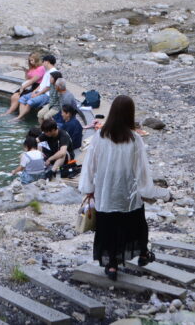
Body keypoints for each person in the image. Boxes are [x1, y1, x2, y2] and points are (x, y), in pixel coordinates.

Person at [79, 95, 167, 280]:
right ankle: (143, 254)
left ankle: (111, 265)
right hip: (128, 193)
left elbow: (89, 166)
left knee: (108, 228)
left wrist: (88, 188)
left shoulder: (99, 137)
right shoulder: (135, 140)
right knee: (136, 224)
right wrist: (147, 190)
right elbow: (141, 169)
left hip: (105, 192)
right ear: (129, 114)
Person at [15, 55, 59, 121]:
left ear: (47, 62)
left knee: (30, 102)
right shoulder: (47, 71)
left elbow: (48, 87)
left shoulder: (54, 72)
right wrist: (34, 91)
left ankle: (18, 118)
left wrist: (37, 94)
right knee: (22, 99)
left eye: (43, 61)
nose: (42, 63)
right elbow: (42, 84)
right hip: (40, 92)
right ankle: (21, 117)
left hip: (47, 95)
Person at [5, 52, 46, 117]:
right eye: (29, 60)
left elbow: (33, 80)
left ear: (36, 60)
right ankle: (10, 111)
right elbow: (27, 78)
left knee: (18, 97)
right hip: (29, 85)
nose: (30, 62)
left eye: (32, 60)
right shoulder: (32, 67)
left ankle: (12, 113)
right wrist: (26, 72)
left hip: (36, 86)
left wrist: (23, 87)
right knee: (14, 96)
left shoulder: (41, 68)